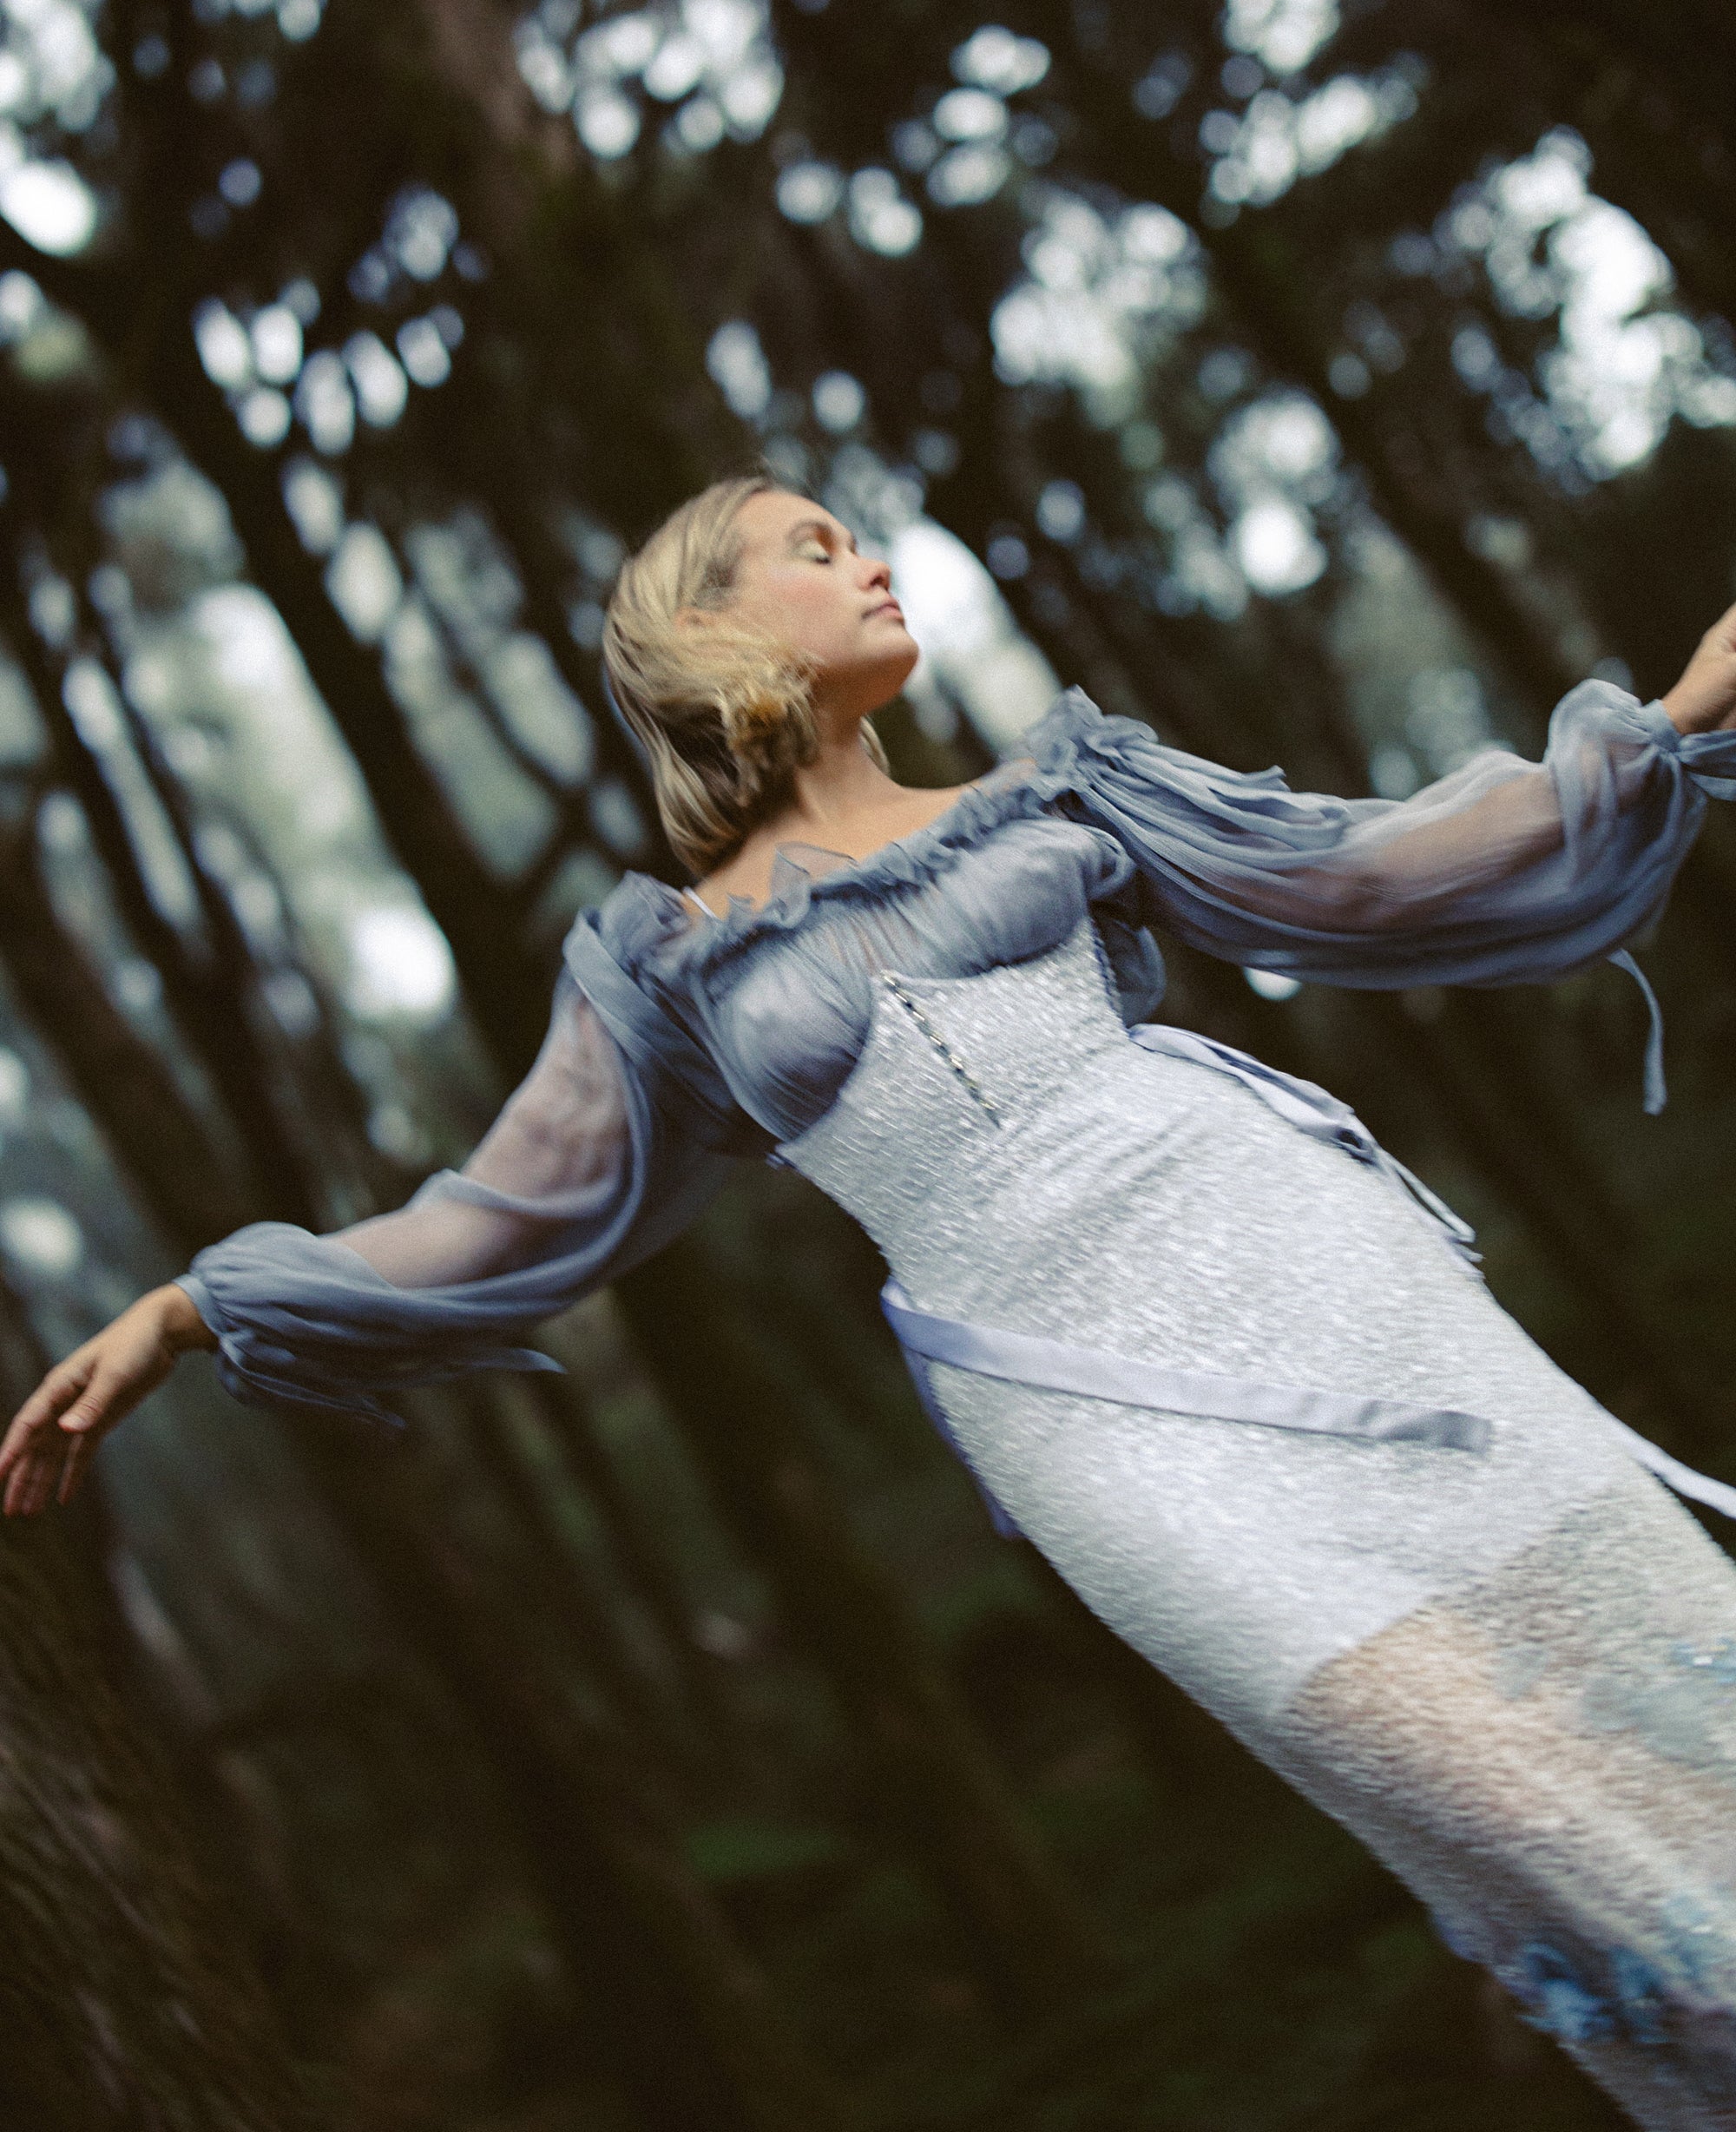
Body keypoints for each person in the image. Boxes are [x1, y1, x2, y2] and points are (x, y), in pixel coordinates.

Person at [6, 470, 1736, 2122]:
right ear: (704, 632)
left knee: (1657, 1694)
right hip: (1082, 1407)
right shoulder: (664, 967)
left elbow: (1362, 869)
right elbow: (490, 1219)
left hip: (1295, 1260)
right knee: (1485, 1792)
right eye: (810, 546)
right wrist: (185, 1307)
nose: (869, 558)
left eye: (857, 532)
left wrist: (1654, 726)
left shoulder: (1063, 793)